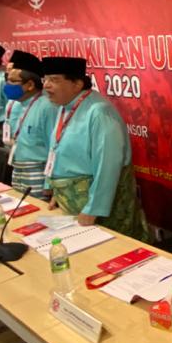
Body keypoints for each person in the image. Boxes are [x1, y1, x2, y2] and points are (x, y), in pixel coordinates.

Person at [42, 56, 150, 242]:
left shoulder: (99, 111)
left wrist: (94, 208)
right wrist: (57, 192)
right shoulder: (64, 107)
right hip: (70, 202)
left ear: (77, 84)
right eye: (45, 80)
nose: (46, 86)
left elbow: (107, 166)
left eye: (54, 80)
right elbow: (57, 150)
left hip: (95, 209)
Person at [3, 50, 56, 193]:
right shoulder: (20, 104)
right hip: (18, 168)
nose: (8, 84)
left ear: (30, 85)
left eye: (13, 81)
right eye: (7, 79)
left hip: (38, 172)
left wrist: (49, 184)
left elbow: (53, 148)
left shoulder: (47, 107)